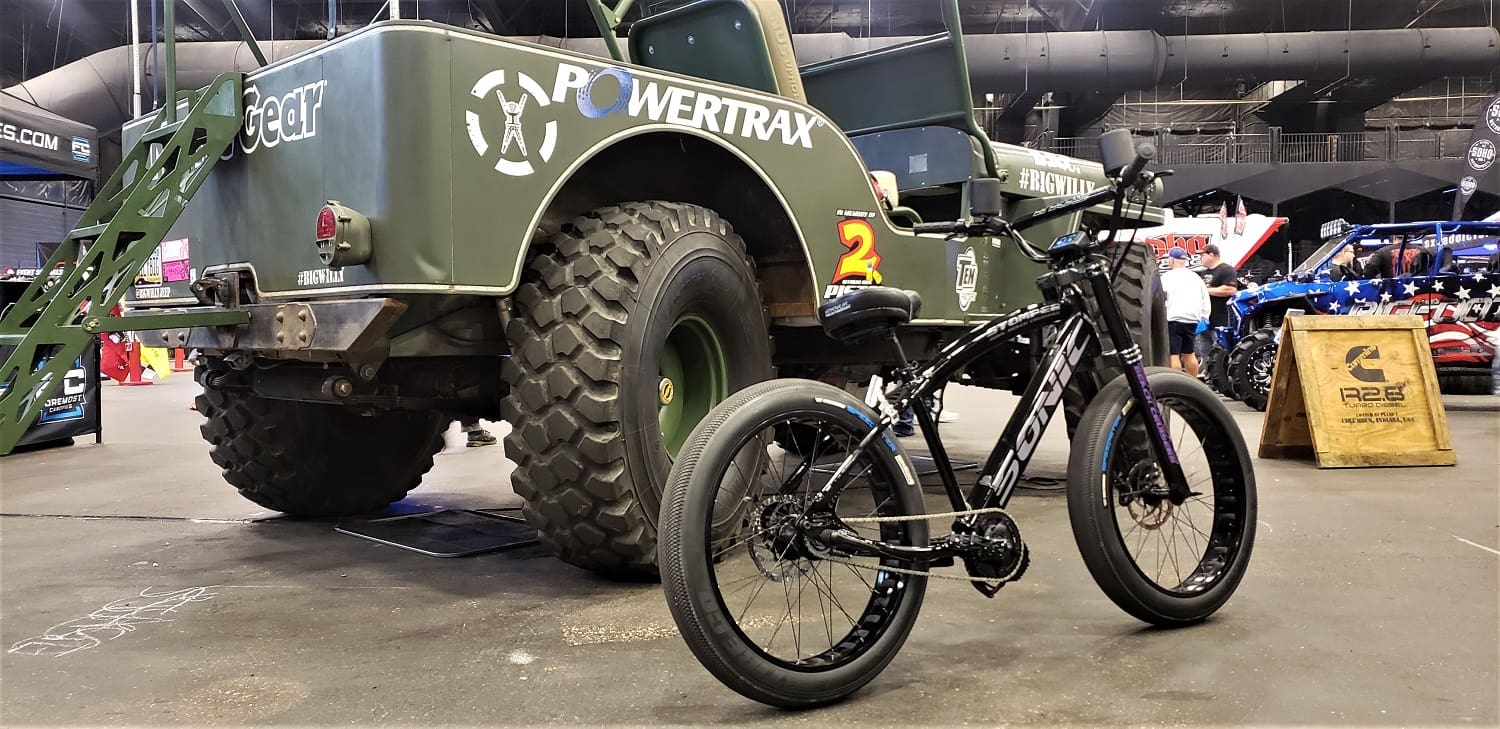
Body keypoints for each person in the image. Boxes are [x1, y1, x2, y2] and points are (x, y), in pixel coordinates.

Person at [1160, 247, 1210, 377]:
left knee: (1173, 355)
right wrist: (1204, 317)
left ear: (1171, 260)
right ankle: (1193, 384)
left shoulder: (1166, 277)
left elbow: (1159, 299)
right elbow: (1205, 299)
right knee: (1189, 354)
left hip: (1173, 320)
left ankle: (1176, 385)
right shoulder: (1196, 278)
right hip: (1192, 320)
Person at [1195, 244, 1238, 368]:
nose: (1200, 258)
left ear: (1211, 255)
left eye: (1202, 255)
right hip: (1205, 322)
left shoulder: (1226, 270)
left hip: (1220, 320)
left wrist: (1206, 290)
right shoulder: (1205, 272)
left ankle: (1222, 380)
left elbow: (1230, 289)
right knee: (1205, 354)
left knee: (1220, 354)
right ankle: (1209, 380)